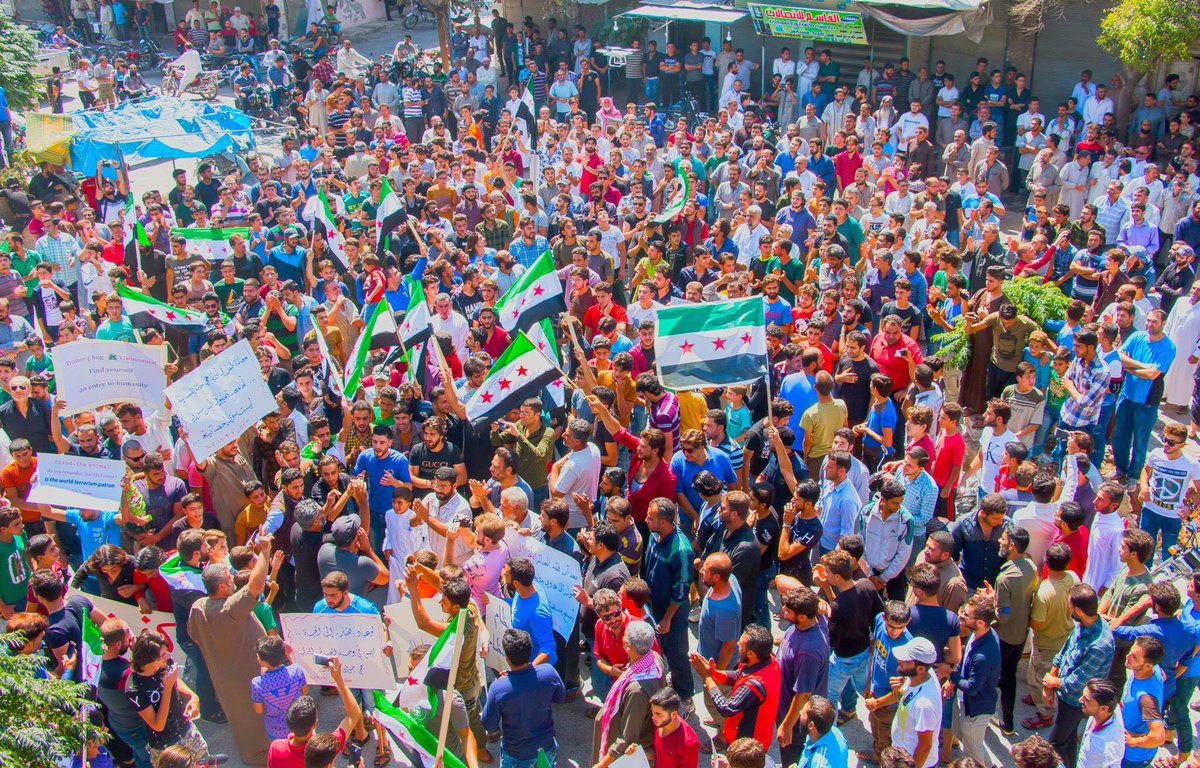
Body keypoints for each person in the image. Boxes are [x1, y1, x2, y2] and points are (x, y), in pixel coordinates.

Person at [187, 533, 274, 764]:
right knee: (252, 715)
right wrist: (265, 552)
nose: (232, 578)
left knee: (241, 713)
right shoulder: (230, 608)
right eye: (229, 577)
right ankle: (255, 755)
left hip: (224, 675)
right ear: (222, 586)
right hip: (246, 673)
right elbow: (256, 585)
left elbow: (195, 636)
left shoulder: (198, 607)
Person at [1044, 583, 1115, 768]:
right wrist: (1050, 683)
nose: (1068, 608)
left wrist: (1052, 682)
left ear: (1078, 610)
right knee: (1067, 742)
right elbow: (1065, 651)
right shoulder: (1083, 625)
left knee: (1052, 748)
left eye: (1070, 605)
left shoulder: (1100, 644)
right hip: (1063, 693)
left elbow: (1077, 681)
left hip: (1075, 701)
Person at [481, 628, 567, 768]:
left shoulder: (498, 688)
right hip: (546, 746)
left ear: (507, 658)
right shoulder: (549, 672)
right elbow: (560, 697)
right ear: (531, 651)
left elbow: (489, 724)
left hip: (516, 754)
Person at [591, 620, 665, 767]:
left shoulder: (637, 692)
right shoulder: (654, 657)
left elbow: (627, 739)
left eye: (624, 635)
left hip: (620, 754)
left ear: (628, 646)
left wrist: (601, 765)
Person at [887, 637, 941, 768]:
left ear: (921, 669)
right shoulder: (921, 675)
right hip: (901, 755)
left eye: (906, 660)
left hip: (911, 762)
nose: (899, 660)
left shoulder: (924, 705)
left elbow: (925, 746)